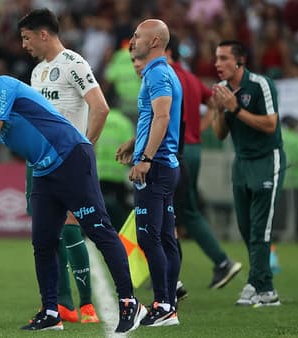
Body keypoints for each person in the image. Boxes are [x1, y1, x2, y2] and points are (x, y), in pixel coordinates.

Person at [0, 56, 147, 333]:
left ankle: (130, 302)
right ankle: (50, 311)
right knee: (43, 242)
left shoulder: (1, 87)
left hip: (70, 157)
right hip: (43, 170)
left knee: (100, 231)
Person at [17, 8, 108, 324]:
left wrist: (84, 149)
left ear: (44, 34)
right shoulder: (37, 73)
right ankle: (62, 306)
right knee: (47, 235)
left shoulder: (74, 63)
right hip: (39, 163)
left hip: (68, 162)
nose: (24, 45)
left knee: (71, 229)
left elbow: (100, 107)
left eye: (27, 38)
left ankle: (87, 305)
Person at [116, 19, 182, 327]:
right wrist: (135, 142)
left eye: (138, 35)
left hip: (155, 168)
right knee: (165, 237)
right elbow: (155, 116)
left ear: (155, 41)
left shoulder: (156, 73)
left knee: (149, 236)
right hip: (164, 164)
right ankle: (167, 303)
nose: (132, 40)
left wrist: (144, 158)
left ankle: (164, 304)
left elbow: (164, 115)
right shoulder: (163, 72)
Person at [211, 40, 285, 307]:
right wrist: (219, 111)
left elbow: (270, 124)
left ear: (240, 61)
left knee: (260, 228)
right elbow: (220, 133)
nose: (217, 64)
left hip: (266, 159)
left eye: (223, 58)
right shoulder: (224, 91)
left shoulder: (260, 85)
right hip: (241, 163)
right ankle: (258, 283)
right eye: (216, 59)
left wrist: (236, 108)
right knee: (245, 226)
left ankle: (264, 289)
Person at [166, 35, 242, 292]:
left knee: (175, 212)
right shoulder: (190, 77)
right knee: (185, 211)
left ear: (166, 51)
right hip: (193, 147)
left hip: (178, 150)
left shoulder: (164, 75)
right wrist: (204, 125)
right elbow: (213, 101)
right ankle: (216, 263)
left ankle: (175, 277)